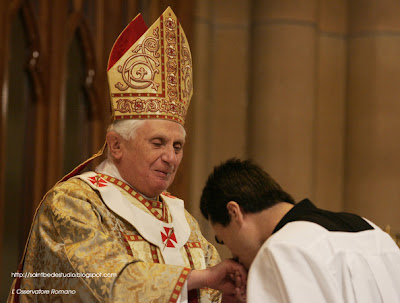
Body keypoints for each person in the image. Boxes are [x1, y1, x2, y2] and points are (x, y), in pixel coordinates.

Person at [8, 7, 246, 303]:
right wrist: (197, 278)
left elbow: (212, 289)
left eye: (177, 146)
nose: (170, 158)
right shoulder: (73, 203)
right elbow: (100, 279)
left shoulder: (180, 218)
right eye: (157, 143)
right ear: (116, 145)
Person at [200, 158, 400, 303]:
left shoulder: (280, 250)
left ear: (234, 213)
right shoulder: (372, 231)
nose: (233, 255)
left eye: (222, 239)